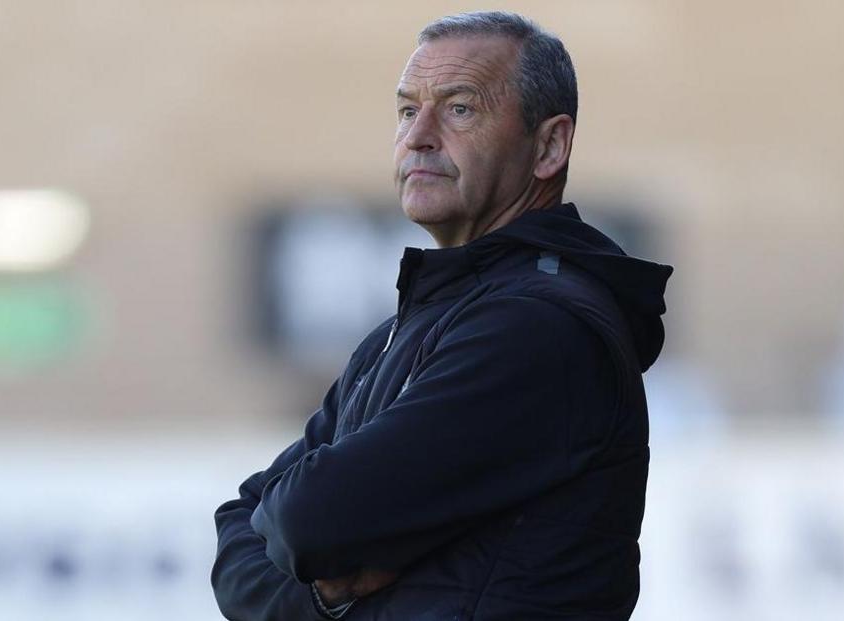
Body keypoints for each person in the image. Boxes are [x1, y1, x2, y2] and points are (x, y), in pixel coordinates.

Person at [211, 10, 673, 620]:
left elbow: (306, 521)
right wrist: (320, 591)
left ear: (550, 146)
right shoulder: (402, 332)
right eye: (407, 111)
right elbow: (238, 526)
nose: (418, 137)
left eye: (459, 108)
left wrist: (307, 559)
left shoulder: (539, 328)